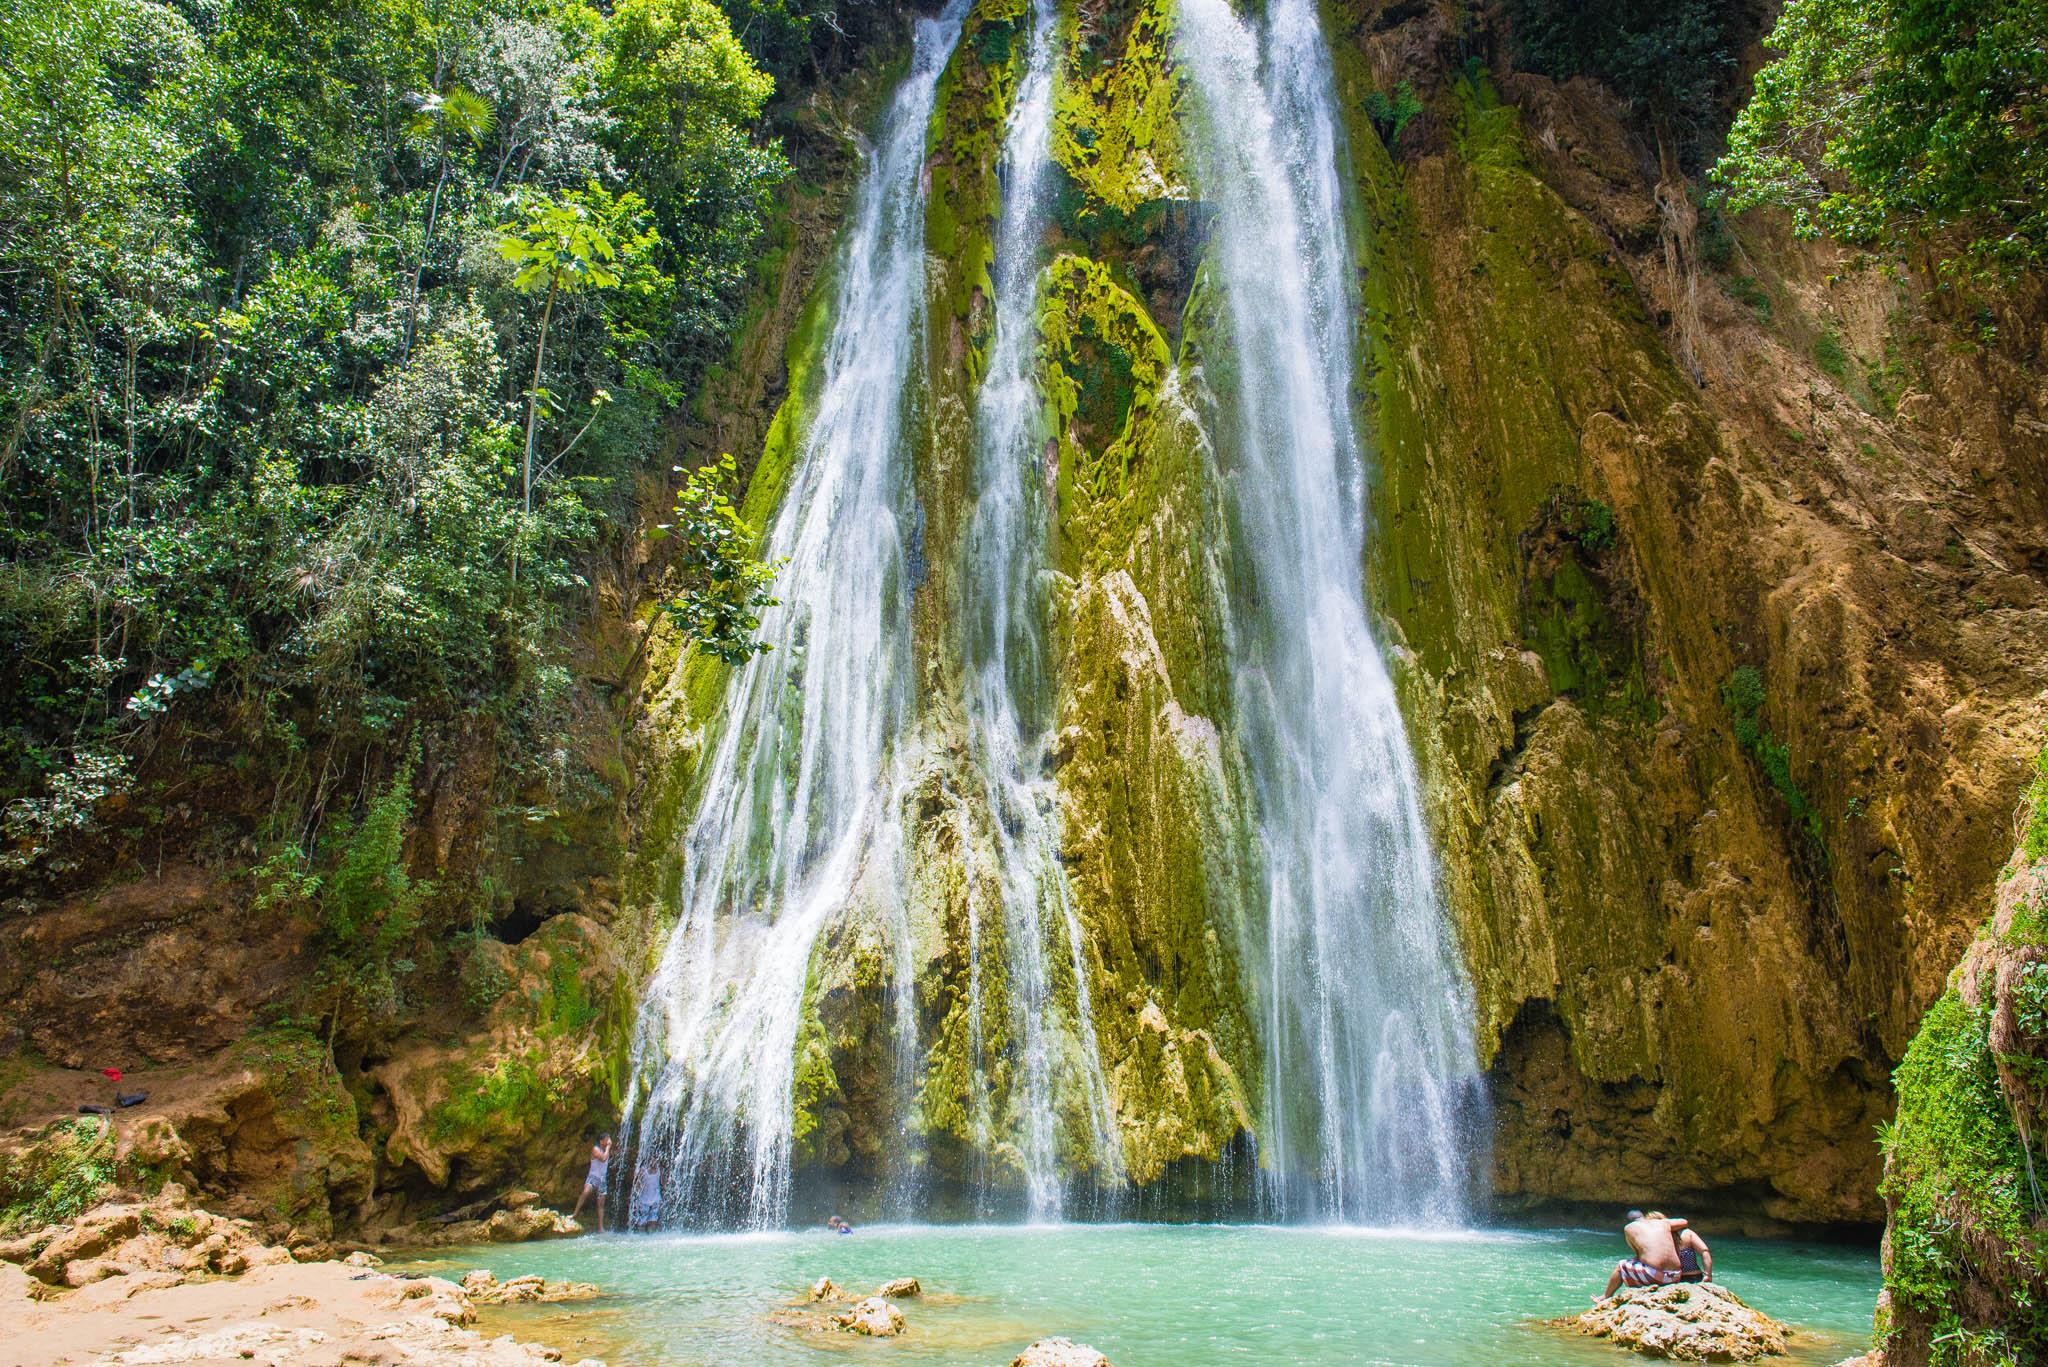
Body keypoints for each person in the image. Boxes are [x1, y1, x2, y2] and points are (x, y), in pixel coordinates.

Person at [1598, 1209, 1692, 1301]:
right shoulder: (1662, 1223)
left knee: (1621, 1267)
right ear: (1643, 1217)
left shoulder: (1629, 1227)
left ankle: (1606, 1296)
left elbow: (1638, 1254)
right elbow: (1684, 1221)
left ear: (1628, 1221)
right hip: (1675, 1276)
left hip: (1658, 1277)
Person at [570, 1135, 612, 1232]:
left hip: (602, 1179)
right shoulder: (595, 1149)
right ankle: (574, 1213)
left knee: (601, 1204)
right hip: (593, 1177)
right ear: (602, 1141)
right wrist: (609, 1147)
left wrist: (608, 1148)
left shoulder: (605, 1150)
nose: (609, 1140)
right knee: (585, 1192)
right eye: (607, 1139)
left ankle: (600, 1228)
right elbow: (603, 1159)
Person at [630, 1161, 662, 1230]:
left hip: (655, 1199)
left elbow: (664, 1183)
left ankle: (650, 1236)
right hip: (644, 1199)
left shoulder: (659, 1170)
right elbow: (637, 1184)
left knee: (653, 1218)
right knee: (643, 1219)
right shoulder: (643, 1170)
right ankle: (642, 1235)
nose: (654, 1162)